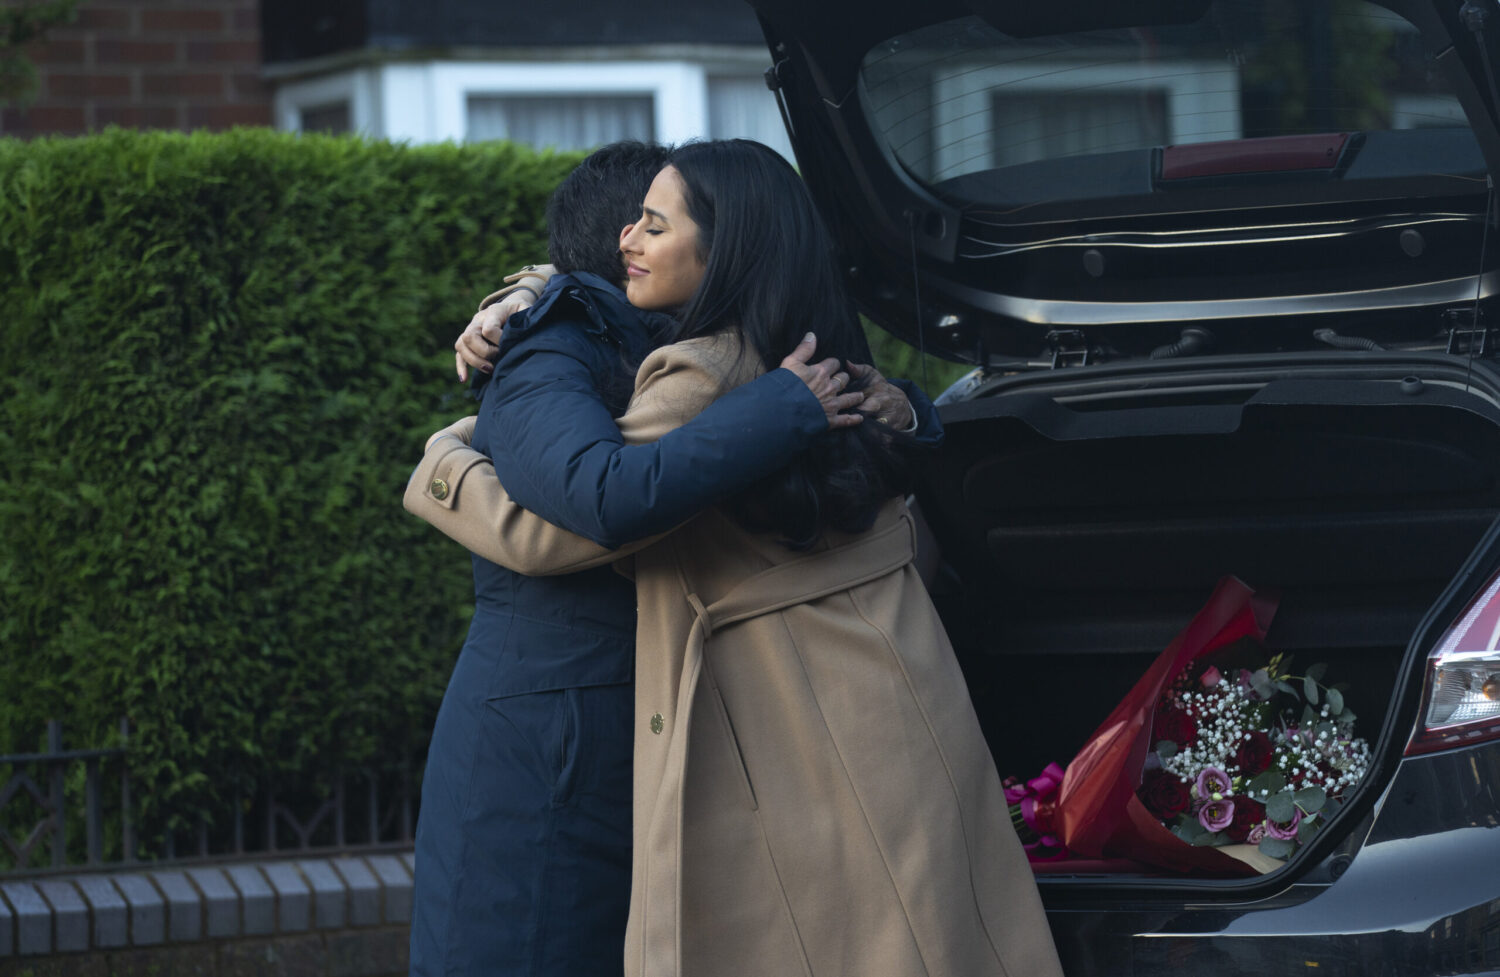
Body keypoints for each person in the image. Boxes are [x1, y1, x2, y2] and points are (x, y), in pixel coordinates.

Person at [409, 140, 1062, 977]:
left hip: (792, 731)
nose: (631, 241)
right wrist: (535, 288)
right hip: (899, 707)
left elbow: (580, 518)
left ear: (724, 248)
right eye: (631, 224)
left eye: (653, 224)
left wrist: (449, 464)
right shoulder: (809, 350)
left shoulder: (708, 369)